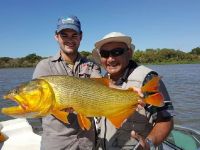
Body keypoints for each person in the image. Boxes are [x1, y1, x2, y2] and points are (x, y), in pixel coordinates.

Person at [92, 32, 174, 150]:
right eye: (105, 54)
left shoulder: (147, 78)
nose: (110, 59)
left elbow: (166, 120)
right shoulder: (103, 81)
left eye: (117, 52)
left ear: (129, 53)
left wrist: (148, 144)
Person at [32, 15, 101, 150]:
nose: (69, 40)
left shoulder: (92, 66)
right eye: (64, 35)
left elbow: (102, 90)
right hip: (57, 144)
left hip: (87, 143)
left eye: (74, 35)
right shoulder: (44, 67)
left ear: (81, 37)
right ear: (56, 37)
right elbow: (38, 109)